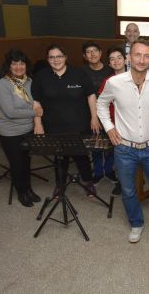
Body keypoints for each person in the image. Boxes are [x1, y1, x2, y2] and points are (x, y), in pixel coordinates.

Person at [97, 39, 149, 243]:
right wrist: (109, 128)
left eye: (146, 56)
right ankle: (136, 223)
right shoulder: (114, 83)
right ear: (128, 57)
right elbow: (101, 104)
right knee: (128, 190)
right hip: (124, 148)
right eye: (137, 55)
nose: (142, 60)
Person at [32, 44, 100, 198]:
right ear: (48, 59)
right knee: (59, 157)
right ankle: (60, 185)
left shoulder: (79, 73)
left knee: (82, 155)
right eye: (52, 57)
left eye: (59, 56)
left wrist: (94, 117)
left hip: (79, 124)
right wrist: (38, 123)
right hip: (54, 126)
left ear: (65, 57)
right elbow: (36, 102)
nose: (56, 60)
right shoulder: (41, 76)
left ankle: (88, 182)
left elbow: (91, 95)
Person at [0, 49, 42, 207]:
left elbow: (36, 101)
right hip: (10, 132)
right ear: (8, 66)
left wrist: (36, 118)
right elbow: (10, 112)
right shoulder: (3, 84)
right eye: (14, 63)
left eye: (21, 63)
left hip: (27, 130)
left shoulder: (29, 81)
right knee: (16, 164)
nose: (18, 67)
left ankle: (28, 189)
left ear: (26, 65)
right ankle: (21, 192)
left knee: (26, 162)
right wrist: (34, 112)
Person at [81, 41, 117, 185]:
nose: (93, 54)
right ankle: (97, 171)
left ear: (101, 53)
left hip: (110, 113)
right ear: (84, 56)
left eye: (95, 51)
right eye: (89, 52)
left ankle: (109, 170)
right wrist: (93, 116)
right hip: (91, 113)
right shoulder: (81, 72)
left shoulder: (110, 69)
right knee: (96, 143)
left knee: (111, 143)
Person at [98, 46, 127, 195]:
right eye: (112, 59)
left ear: (126, 59)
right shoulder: (107, 81)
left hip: (132, 125)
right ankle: (122, 183)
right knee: (119, 157)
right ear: (109, 64)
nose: (116, 61)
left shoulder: (134, 77)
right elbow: (102, 105)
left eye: (119, 57)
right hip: (115, 126)